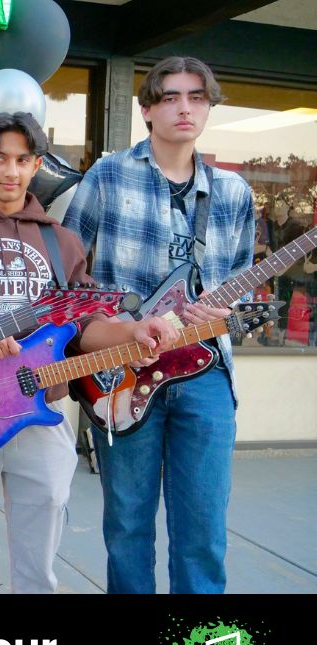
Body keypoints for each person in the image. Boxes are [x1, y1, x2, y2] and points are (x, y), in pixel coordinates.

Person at [0, 112, 174, 594]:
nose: (10, 170)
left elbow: (86, 326)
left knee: (39, 570)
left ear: (36, 165)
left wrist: (134, 334)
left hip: (41, 409)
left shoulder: (62, 242)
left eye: (22, 160)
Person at [64, 56, 255, 593]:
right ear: (146, 109)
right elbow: (70, 279)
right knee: (127, 528)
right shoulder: (107, 176)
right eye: (170, 97)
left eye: (197, 97)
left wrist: (223, 313)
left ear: (209, 108)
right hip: (125, 373)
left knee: (203, 532)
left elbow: (237, 286)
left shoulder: (235, 193)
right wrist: (118, 329)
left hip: (206, 372)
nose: (184, 107)